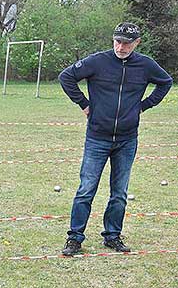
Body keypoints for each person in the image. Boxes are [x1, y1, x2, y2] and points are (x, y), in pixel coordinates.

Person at [59, 22, 173, 256]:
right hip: (97, 137)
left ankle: (112, 236)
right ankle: (75, 238)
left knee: (119, 192)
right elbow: (66, 77)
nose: (121, 47)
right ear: (113, 40)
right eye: (118, 41)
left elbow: (166, 82)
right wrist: (84, 104)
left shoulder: (145, 65)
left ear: (136, 43)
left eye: (127, 43)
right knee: (86, 189)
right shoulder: (97, 61)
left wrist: (145, 105)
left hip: (127, 139)